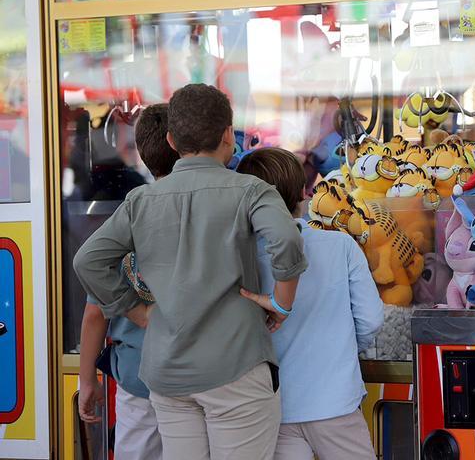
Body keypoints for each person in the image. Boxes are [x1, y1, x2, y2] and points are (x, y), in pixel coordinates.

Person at [73, 84, 307, 460]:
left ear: (170, 139)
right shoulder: (249, 190)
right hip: (236, 367)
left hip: (167, 376)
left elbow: (88, 261)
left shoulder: (140, 201)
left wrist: (136, 310)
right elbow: (287, 240)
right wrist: (281, 302)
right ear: (228, 134)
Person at [236, 148, 383, 460]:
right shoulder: (341, 245)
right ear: (303, 193)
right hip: (336, 400)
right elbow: (371, 319)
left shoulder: (240, 260)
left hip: (274, 407)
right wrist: (341, 349)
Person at [78, 103, 175, 460]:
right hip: (200, 374)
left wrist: (87, 379)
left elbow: (94, 315)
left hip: (138, 375)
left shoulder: (125, 220)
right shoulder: (211, 209)